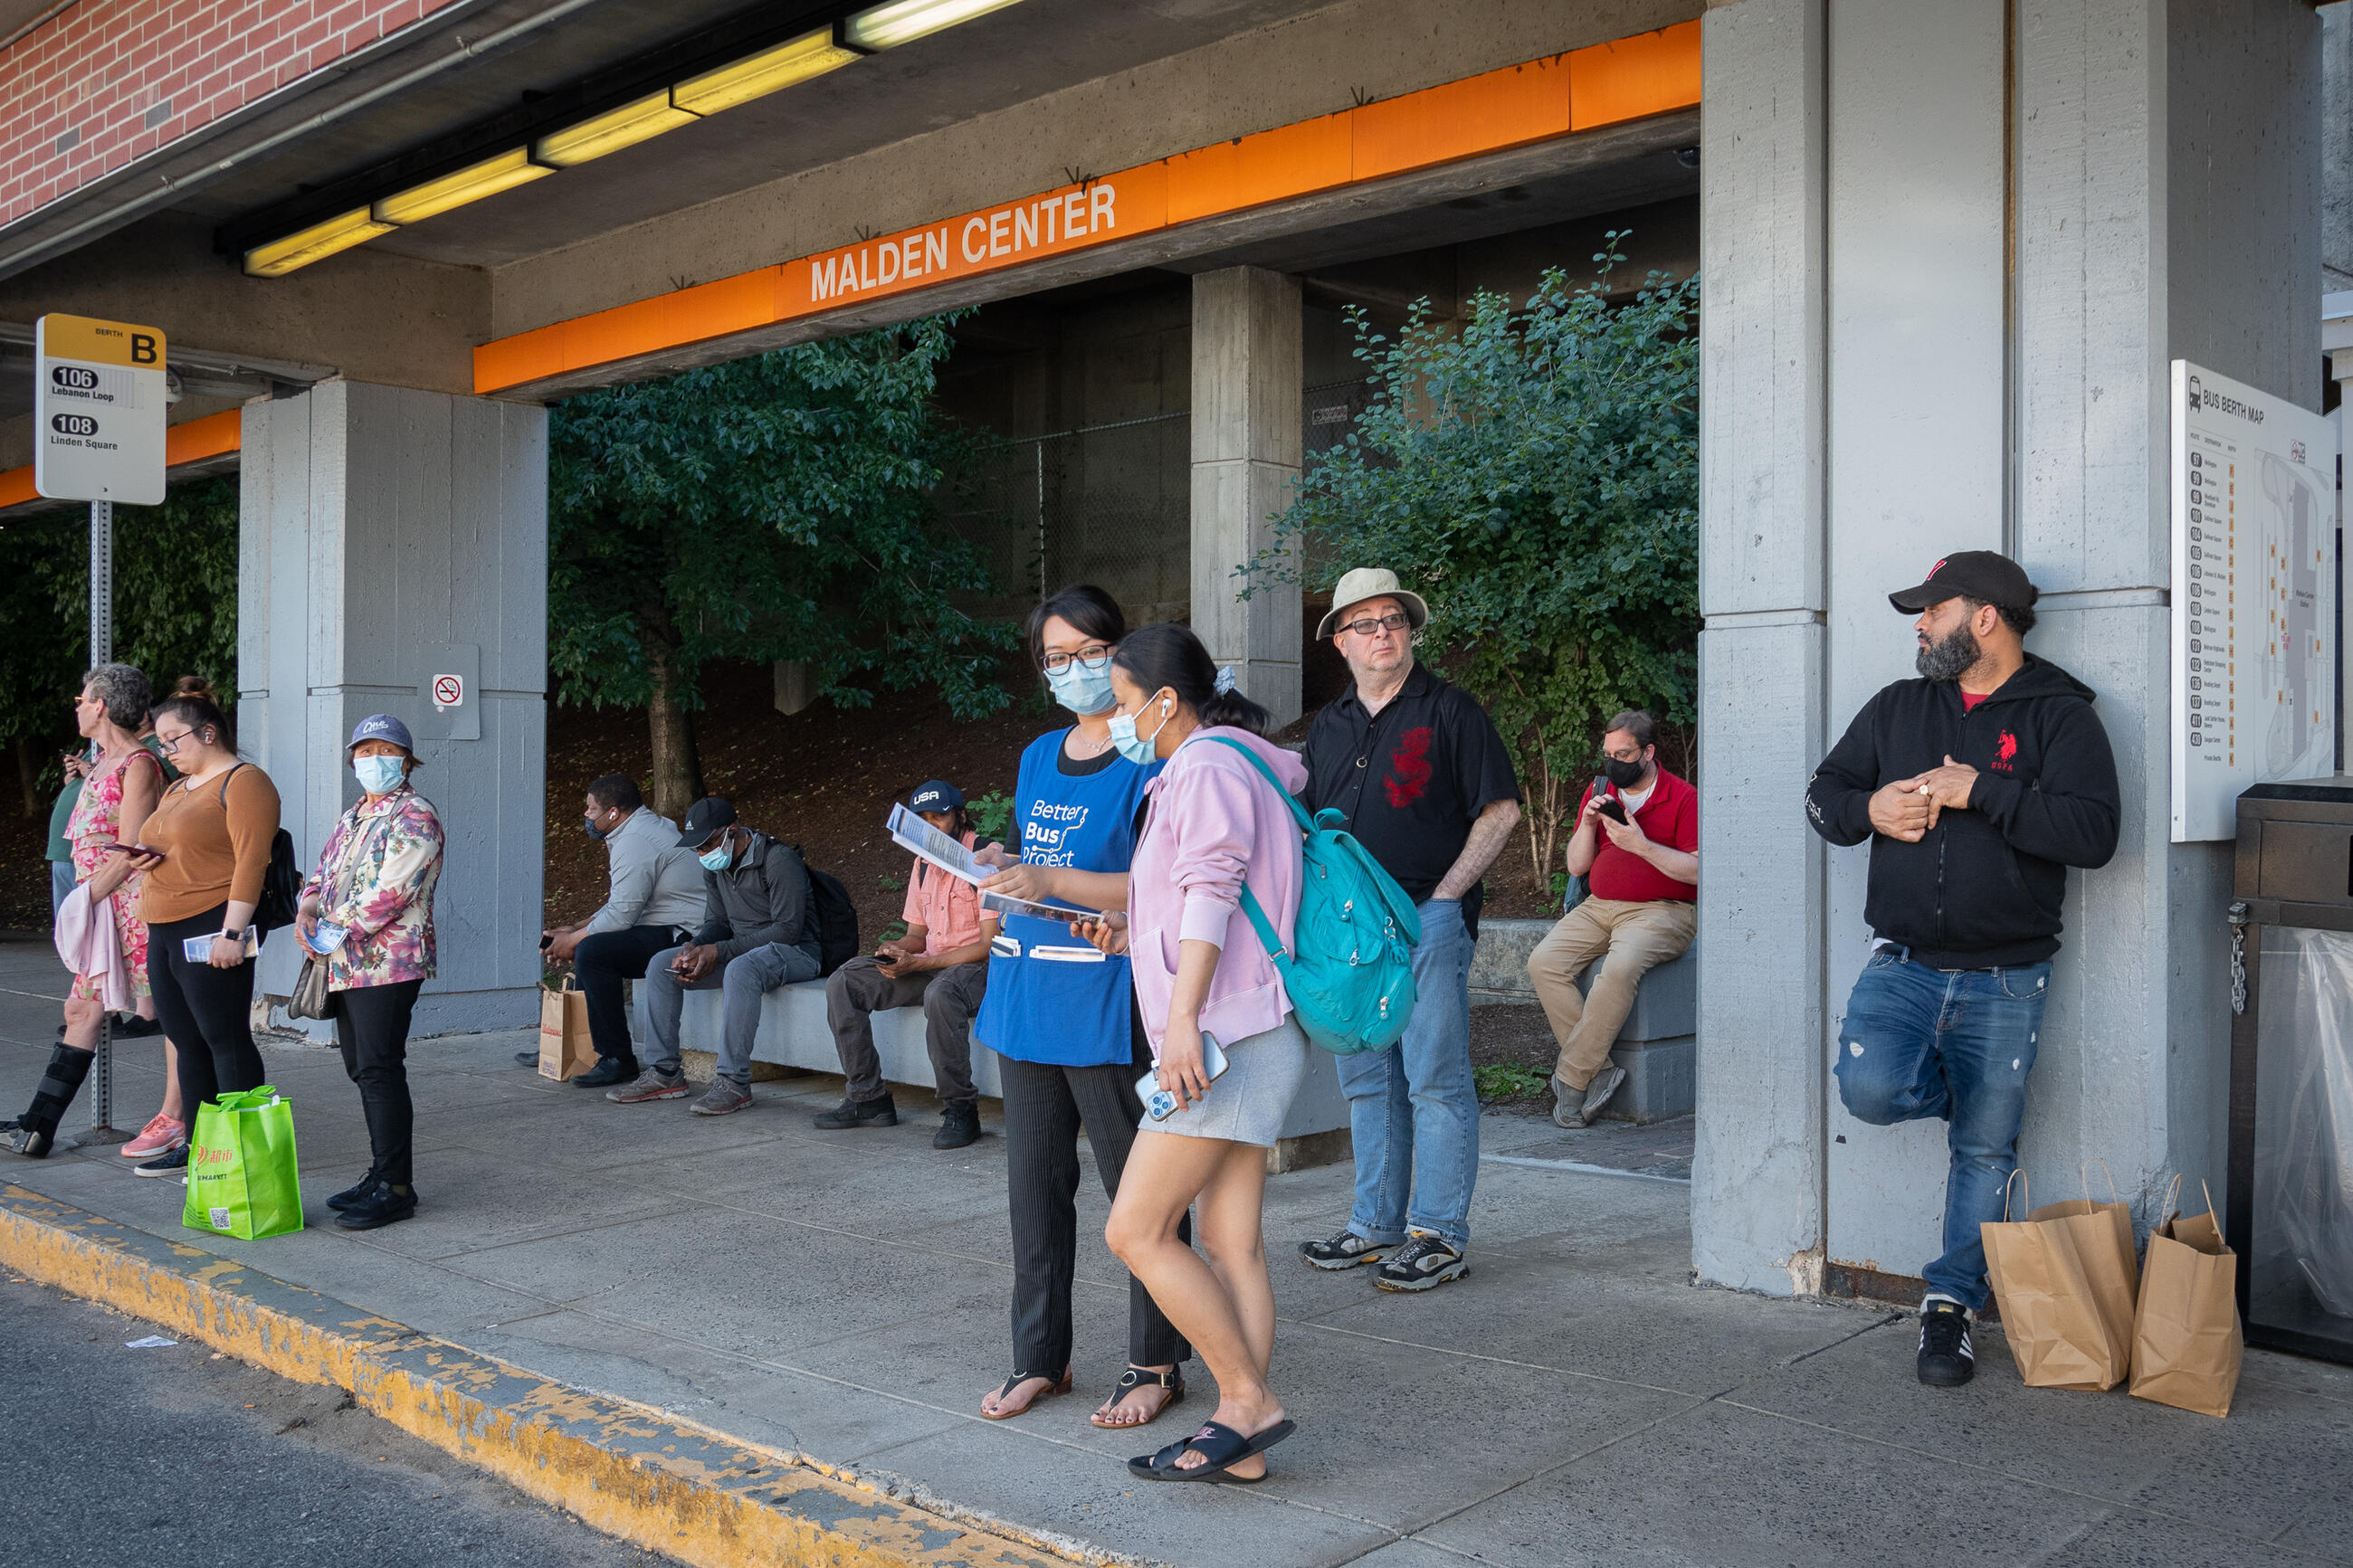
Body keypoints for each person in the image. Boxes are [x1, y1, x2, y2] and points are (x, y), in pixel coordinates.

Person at [1805, 550, 2119, 1388]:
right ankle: (1961, 1087)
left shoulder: (2061, 715)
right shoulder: (1898, 707)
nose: (1919, 624)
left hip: (2008, 978)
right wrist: (1866, 809)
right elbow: (1823, 793)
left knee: (1985, 1150)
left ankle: (1949, 1309)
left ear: (1985, 617)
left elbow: (2094, 836)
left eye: (1932, 610)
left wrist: (1985, 790)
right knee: (1869, 1090)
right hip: (1903, 964)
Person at [1086, 623, 1309, 1484]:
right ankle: (1243, 1439)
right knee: (1229, 1238)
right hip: (1250, 1027)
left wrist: (1180, 1020)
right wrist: (1132, 936)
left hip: (1219, 1040)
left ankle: (1245, 1402)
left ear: (1164, 701)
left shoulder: (1209, 764)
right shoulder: (1243, 761)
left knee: (1135, 1228)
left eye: (1120, 701)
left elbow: (1214, 887)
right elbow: (1204, 903)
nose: (1114, 719)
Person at [967, 584, 1190, 1432]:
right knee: (1034, 1188)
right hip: (1025, 996)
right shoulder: (1036, 755)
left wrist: (1056, 882)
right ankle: (1039, 1356)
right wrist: (1001, 864)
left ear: (1120, 650)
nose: (1072, 670)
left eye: (1087, 652)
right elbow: (1039, 858)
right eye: (1055, 658)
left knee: (1140, 1195)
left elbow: (1163, 880)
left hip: (1107, 1004)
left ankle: (1157, 1360)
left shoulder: (1155, 755)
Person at [1295, 567, 1520, 1292]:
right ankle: (1374, 1225)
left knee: (1436, 1079)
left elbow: (1501, 811)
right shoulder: (1326, 728)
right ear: (1339, 641)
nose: (1383, 632)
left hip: (1426, 918)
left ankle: (1439, 1233)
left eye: (1394, 618)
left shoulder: (1451, 712)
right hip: (1351, 935)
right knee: (1368, 1079)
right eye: (1365, 623)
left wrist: (1448, 897)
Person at [121, 686, 283, 1176]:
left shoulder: (244, 781)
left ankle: (243, 1154)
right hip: (165, 925)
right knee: (185, 1040)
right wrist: (148, 860)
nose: (167, 752)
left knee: (224, 1038)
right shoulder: (179, 787)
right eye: (162, 742)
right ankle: (201, 1149)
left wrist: (232, 934)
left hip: (213, 924)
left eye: (174, 740)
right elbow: (184, 846)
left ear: (208, 733)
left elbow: (251, 861)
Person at [3, 665, 163, 1157]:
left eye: (82, 698)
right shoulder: (105, 763)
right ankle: (36, 1126)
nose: (76, 705)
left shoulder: (138, 764)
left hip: (127, 911)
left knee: (176, 1015)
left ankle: (182, 1120)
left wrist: (84, 901)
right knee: (81, 1009)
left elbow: (132, 850)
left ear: (103, 706)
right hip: (103, 909)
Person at [297, 715, 445, 1231]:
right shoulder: (354, 815)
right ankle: (381, 1172)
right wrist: (308, 907)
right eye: (363, 750)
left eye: (383, 750)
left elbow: (389, 893)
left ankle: (395, 1187)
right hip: (345, 960)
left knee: (380, 1068)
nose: (371, 759)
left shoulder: (416, 816)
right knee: (362, 1067)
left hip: (390, 961)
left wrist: (327, 929)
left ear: (406, 759)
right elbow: (323, 872)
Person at [1525, 709, 1699, 1129]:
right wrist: (1586, 824)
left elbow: (1698, 871)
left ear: (1648, 752)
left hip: (1664, 911)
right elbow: (1576, 865)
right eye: (1607, 753)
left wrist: (1640, 846)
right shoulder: (1600, 790)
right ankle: (1599, 1070)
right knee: (1543, 964)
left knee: (1618, 970)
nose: (1613, 762)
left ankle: (1571, 1078)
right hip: (1599, 906)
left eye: (1623, 753)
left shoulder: (1683, 797)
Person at [611, 797, 823, 1117]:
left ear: (733, 832)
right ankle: (664, 1073)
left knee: (740, 969)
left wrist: (719, 951)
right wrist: (694, 947)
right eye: (697, 847)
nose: (702, 853)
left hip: (797, 954)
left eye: (708, 844)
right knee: (660, 965)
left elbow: (787, 931)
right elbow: (718, 924)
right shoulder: (716, 867)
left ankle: (733, 1082)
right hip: (743, 952)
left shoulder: (778, 860)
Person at [814, 779, 995, 1150]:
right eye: (923, 818)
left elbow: (988, 945)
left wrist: (920, 963)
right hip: (929, 964)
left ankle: (961, 1108)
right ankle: (869, 1100)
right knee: (845, 981)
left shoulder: (985, 858)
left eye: (939, 816)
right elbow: (917, 934)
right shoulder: (924, 864)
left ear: (960, 815)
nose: (931, 825)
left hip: (980, 968)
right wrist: (897, 949)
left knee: (942, 993)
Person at [532, 774, 704, 1088]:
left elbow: (622, 915)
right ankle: (575, 1047)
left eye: (591, 809)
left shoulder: (637, 840)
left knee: (594, 951)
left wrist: (573, 941)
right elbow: (623, 903)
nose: (586, 815)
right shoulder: (638, 829)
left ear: (613, 812)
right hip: (662, 924)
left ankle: (618, 1059)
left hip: (686, 936)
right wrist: (574, 929)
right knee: (592, 944)